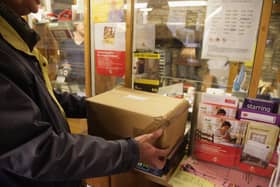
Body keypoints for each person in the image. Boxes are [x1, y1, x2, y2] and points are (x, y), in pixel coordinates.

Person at [0, 1, 169, 187]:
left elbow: (43, 97)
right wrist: (131, 152)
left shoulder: (11, 35)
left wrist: (99, 106)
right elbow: (36, 151)